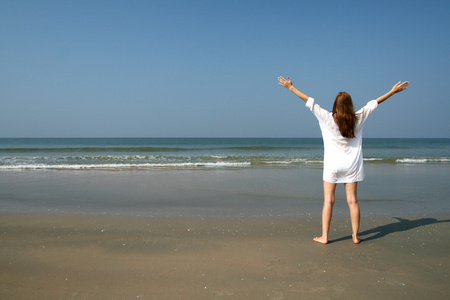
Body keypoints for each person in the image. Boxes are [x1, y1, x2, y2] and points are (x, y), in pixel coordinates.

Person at [278, 76, 409, 244]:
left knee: (328, 201)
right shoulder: (358, 117)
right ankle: (355, 236)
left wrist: (290, 87)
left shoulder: (326, 117)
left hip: (332, 166)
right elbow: (374, 103)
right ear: (350, 105)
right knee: (353, 201)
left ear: (335, 105)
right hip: (351, 166)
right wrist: (392, 91)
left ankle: (325, 237)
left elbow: (310, 101)